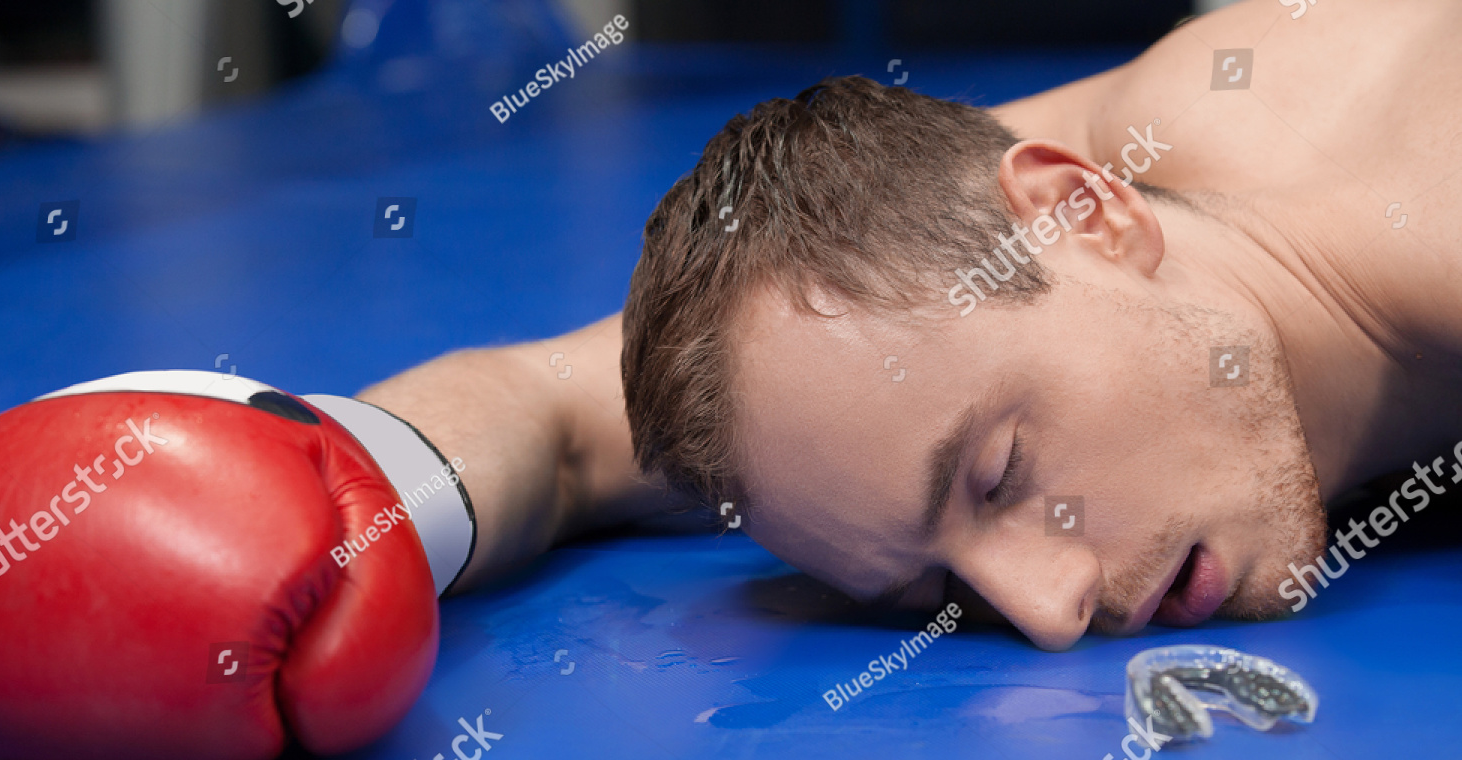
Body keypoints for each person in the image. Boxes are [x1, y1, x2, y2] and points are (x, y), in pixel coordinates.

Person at [361, 0, 1462, 651]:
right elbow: (544, 410)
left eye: (1000, 473)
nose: (1049, 613)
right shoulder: (1066, 204)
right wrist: (336, 502)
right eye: (939, 590)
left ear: (1093, 213)